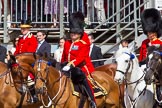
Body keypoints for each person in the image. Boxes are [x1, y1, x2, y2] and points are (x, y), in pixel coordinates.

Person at [61, 12, 96, 108]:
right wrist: (62, 65)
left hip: (81, 67)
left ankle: (92, 100)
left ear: (80, 34)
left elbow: (81, 58)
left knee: (84, 79)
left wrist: (71, 65)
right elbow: (64, 56)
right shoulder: (67, 43)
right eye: (71, 32)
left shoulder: (83, 43)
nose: (72, 34)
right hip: (68, 67)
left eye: (75, 33)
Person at [14, 19, 38, 103]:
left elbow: (30, 53)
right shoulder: (21, 39)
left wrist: (19, 59)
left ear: (28, 29)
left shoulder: (32, 38)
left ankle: (34, 96)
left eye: (24, 28)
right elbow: (17, 51)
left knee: (28, 77)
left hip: (28, 62)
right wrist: (14, 58)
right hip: (18, 62)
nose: (22, 30)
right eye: (21, 28)